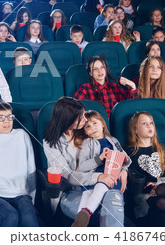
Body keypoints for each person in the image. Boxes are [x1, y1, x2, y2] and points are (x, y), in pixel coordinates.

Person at [43, 97, 125, 227]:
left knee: (113, 201)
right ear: (68, 120)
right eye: (81, 118)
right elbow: (66, 174)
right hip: (72, 191)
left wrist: (123, 170)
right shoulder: (51, 142)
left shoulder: (88, 131)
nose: (86, 120)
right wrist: (98, 177)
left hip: (102, 185)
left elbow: (117, 153)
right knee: (103, 213)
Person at [71, 111, 130, 227]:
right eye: (88, 126)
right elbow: (82, 166)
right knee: (87, 194)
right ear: (85, 131)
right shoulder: (87, 143)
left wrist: (125, 165)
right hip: (94, 176)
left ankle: (87, 211)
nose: (92, 128)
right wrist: (99, 158)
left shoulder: (113, 141)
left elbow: (126, 158)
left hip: (111, 175)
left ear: (103, 124)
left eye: (95, 123)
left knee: (101, 185)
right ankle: (79, 222)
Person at [126, 112, 165, 221]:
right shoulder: (131, 152)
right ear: (135, 130)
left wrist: (159, 183)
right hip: (147, 194)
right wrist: (151, 187)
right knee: (161, 202)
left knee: (162, 187)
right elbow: (134, 178)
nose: (149, 126)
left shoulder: (159, 148)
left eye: (151, 123)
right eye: (144, 123)